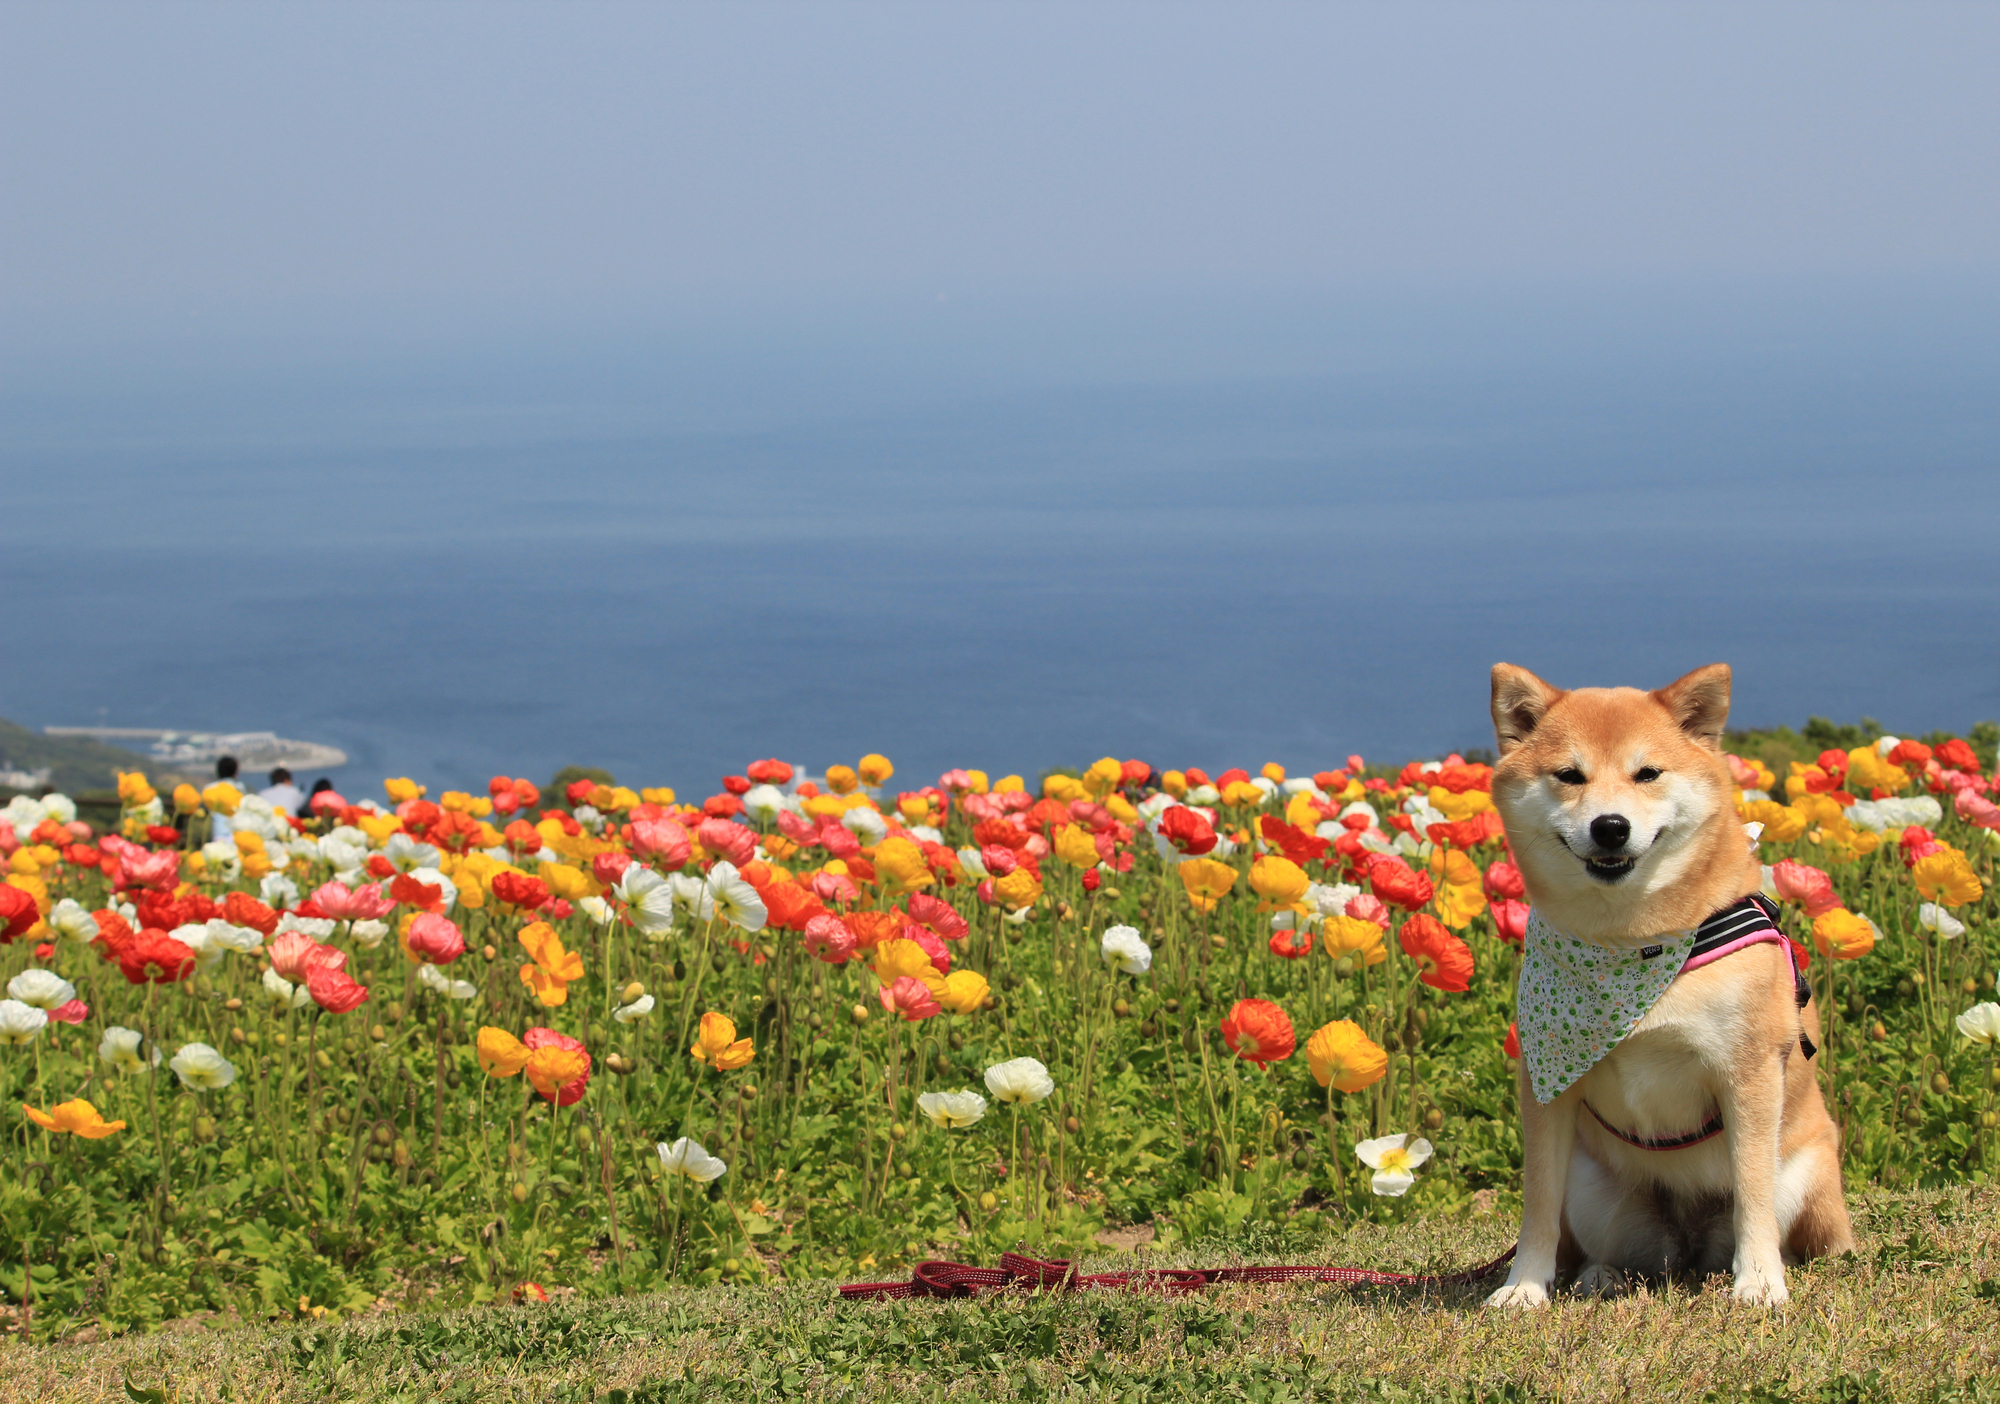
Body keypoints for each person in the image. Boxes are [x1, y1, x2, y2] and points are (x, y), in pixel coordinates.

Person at [209, 756, 241, 842]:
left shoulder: (210, 788)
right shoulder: (239, 788)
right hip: (235, 835)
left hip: (217, 834)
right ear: (235, 772)